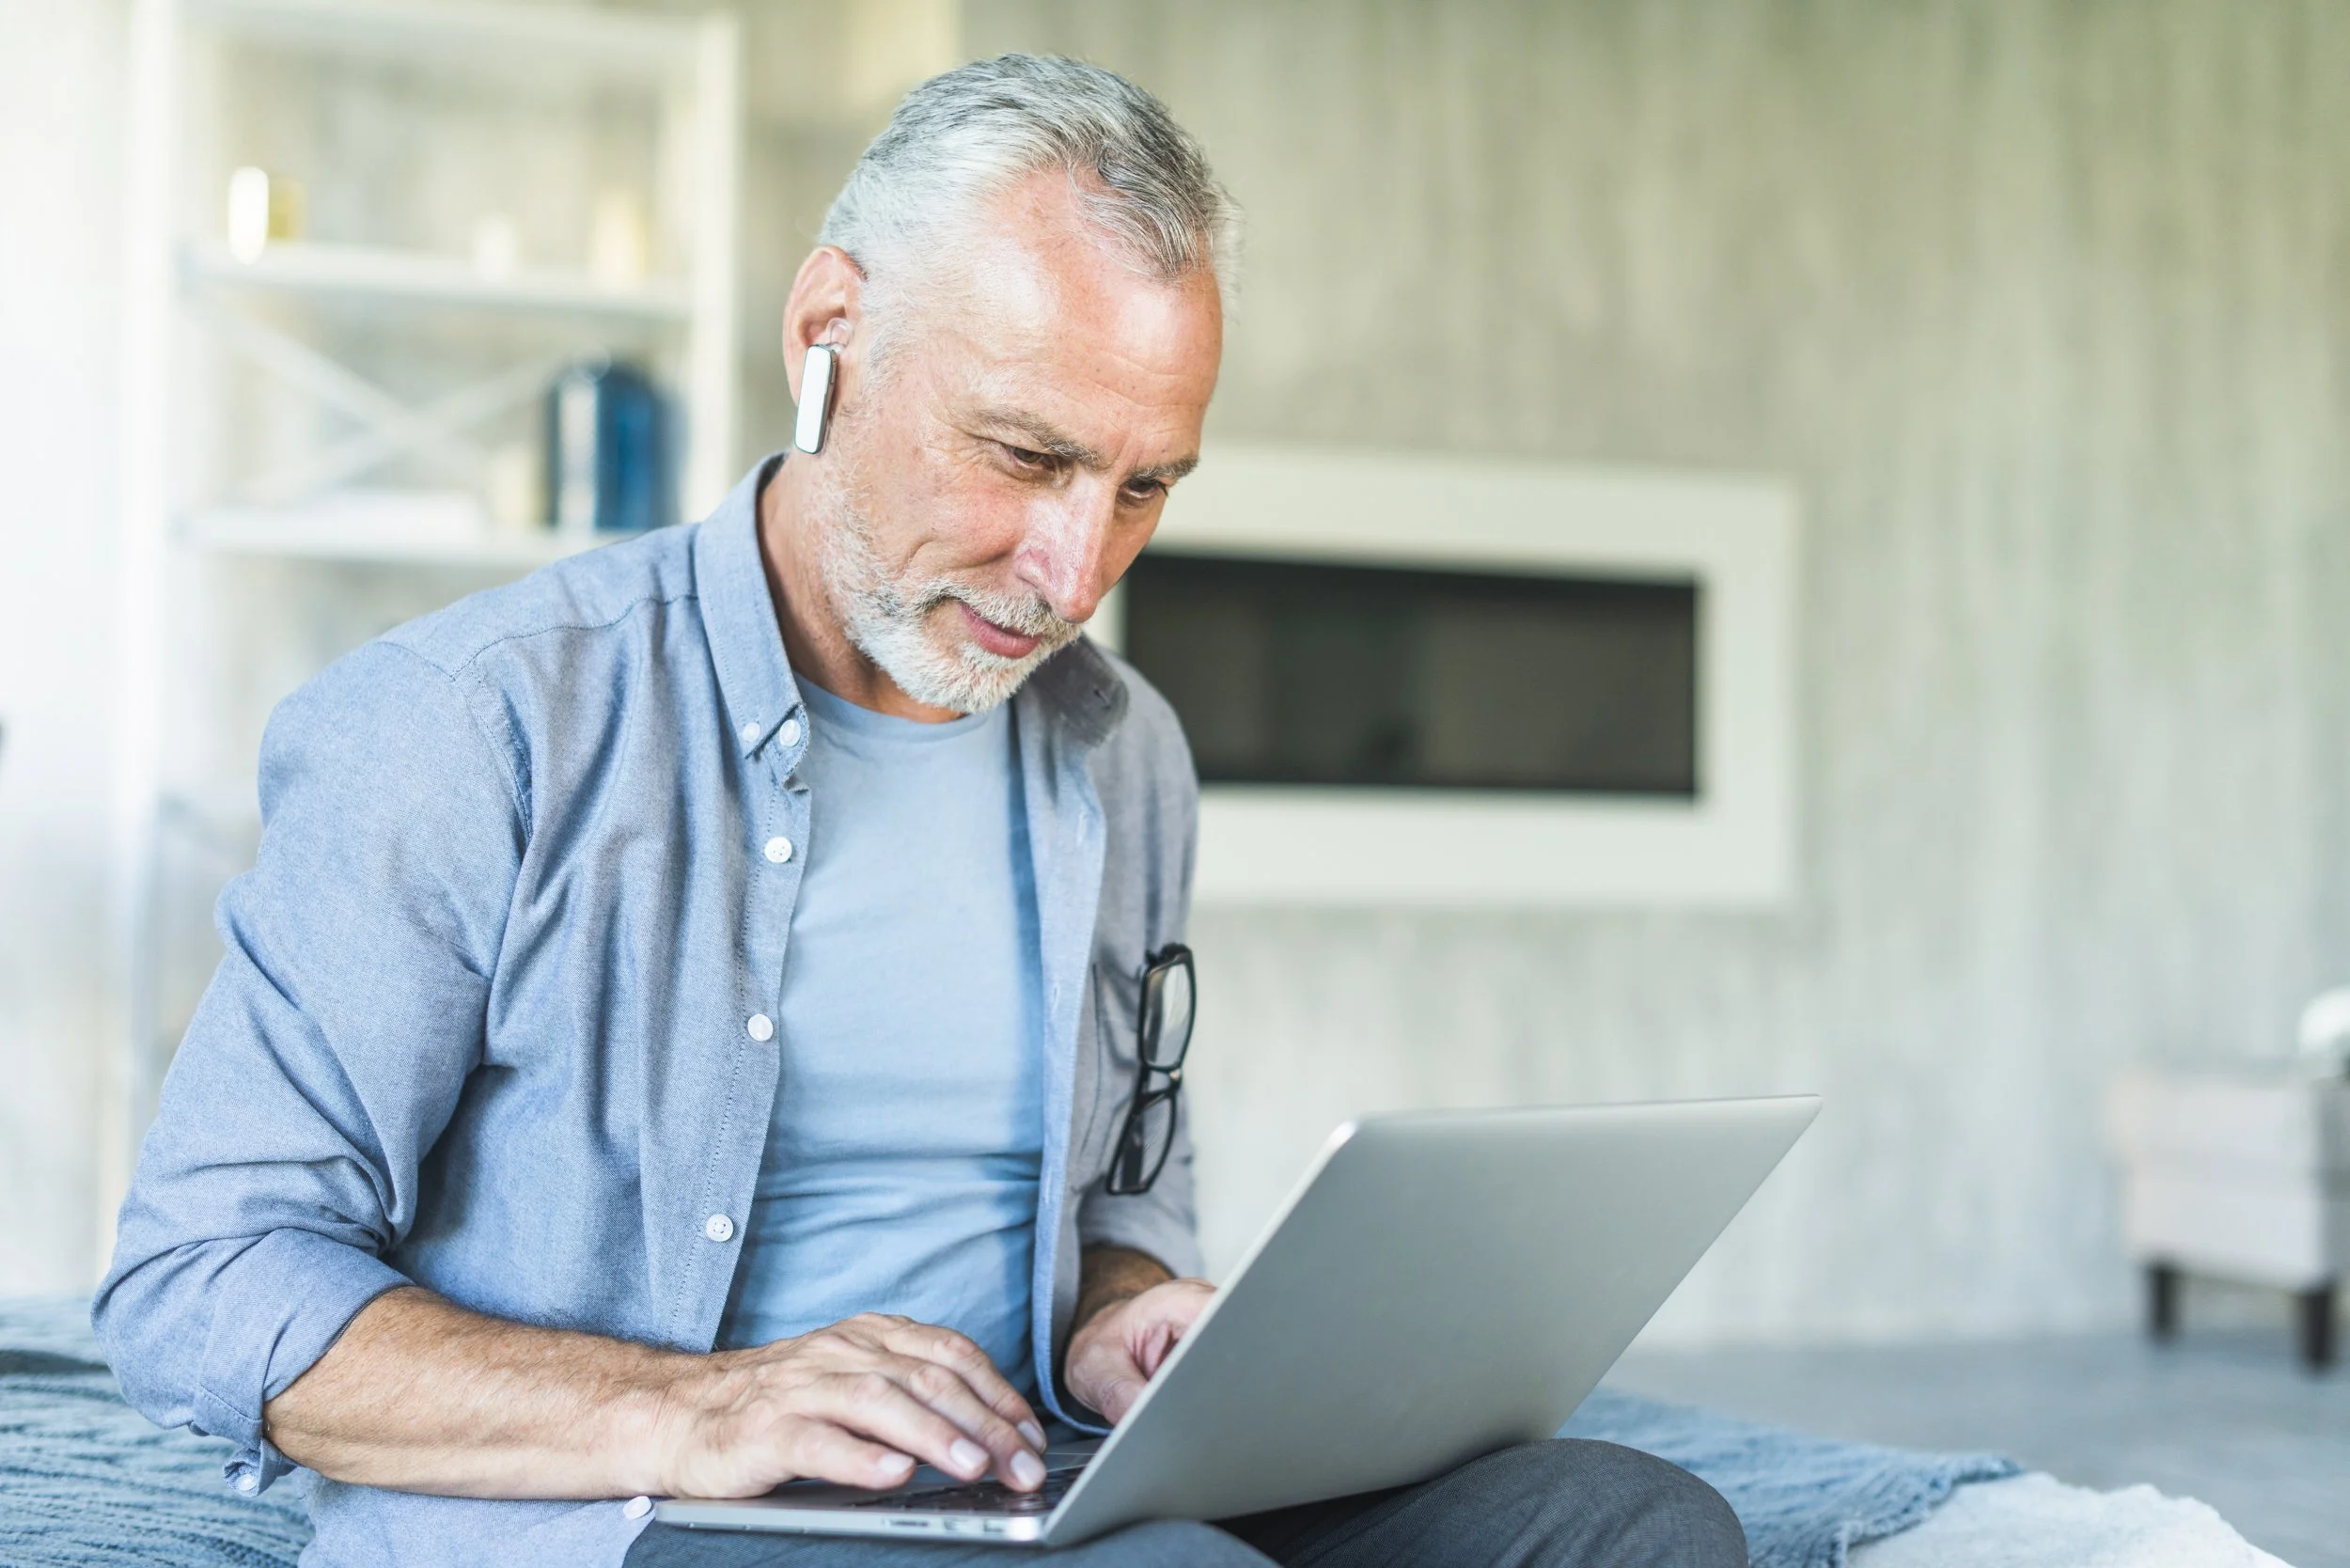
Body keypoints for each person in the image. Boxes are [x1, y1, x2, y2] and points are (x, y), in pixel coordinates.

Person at [95, 54, 1746, 1568]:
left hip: (1030, 1475)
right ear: (829, 337)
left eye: (1147, 484)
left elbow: (1108, 1212)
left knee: (1629, 1527)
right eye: (1025, 456)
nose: (1077, 570)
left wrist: (1130, 1319)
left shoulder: (1121, 751)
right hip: (644, 1510)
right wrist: (698, 1408)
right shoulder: (476, 725)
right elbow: (200, 1283)